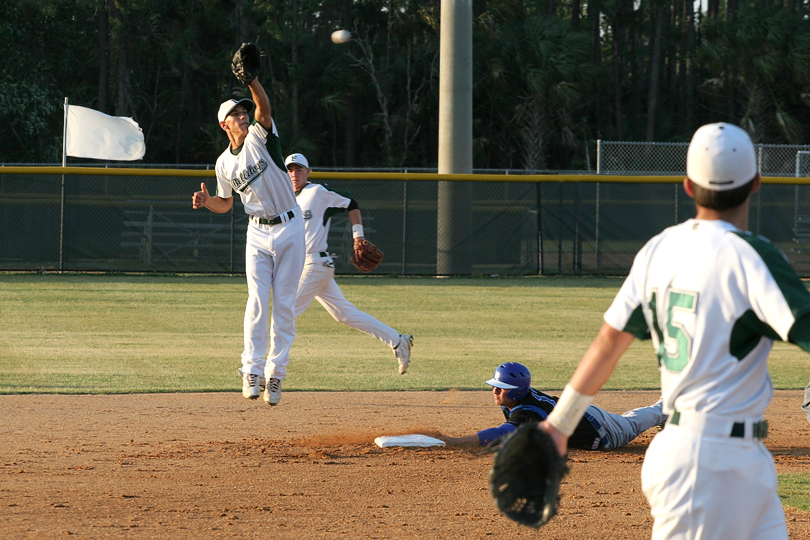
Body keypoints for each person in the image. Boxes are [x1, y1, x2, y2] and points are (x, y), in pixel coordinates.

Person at [540, 122, 810, 540]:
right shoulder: (755, 257)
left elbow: (609, 343)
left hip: (737, 460)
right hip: (707, 462)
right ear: (756, 183)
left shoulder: (659, 249)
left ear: (687, 185)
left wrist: (559, 425)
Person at [192, 74, 305, 407]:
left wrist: (253, 81)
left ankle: (276, 374)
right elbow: (225, 203)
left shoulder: (260, 135)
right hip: (257, 232)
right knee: (257, 300)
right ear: (224, 125)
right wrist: (206, 202)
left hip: (290, 226)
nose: (243, 115)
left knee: (284, 305)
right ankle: (251, 370)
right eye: (236, 113)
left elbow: (264, 110)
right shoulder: (223, 163)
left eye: (244, 110)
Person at [285, 153, 413, 374]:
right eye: (290, 170)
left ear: (308, 172)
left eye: (299, 169)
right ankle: (398, 339)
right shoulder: (284, 198)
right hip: (302, 265)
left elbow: (351, 203)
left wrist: (358, 236)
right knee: (344, 314)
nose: (294, 174)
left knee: (284, 313)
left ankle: (262, 369)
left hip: (314, 263)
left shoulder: (317, 192)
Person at [442, 362, 665, 449]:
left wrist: (456, 442)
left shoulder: (526, 412)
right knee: (628, 419)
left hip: (601, 430)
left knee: (632, 423)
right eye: (495, 385)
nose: (495, 391)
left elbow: (499, 433)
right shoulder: (515, 400)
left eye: (501, 387)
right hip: (579, 413)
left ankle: (669, 406)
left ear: (517, 391)